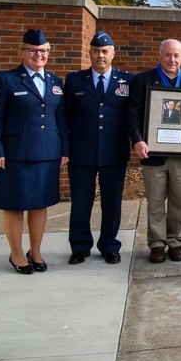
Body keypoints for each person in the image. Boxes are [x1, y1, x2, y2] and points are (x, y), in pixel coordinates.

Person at [0, 29, 69, 274]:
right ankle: (17, 253)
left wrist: (64, 148)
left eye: (43, 51)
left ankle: (36, 251)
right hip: (15, 154)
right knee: (14, 204)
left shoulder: (55, 81)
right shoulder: (5, 79)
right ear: (22, 52)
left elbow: (60, 118)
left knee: (39, 203)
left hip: (48, 153)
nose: (38, 55)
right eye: (32, 50)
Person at [129, 39, 181, 263]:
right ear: (159, 56)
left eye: (176, 55)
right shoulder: (143, 80)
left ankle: (176, 241)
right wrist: (137, 140)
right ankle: (157, 244)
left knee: (180, 200)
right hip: (153, 152)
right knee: (156, 201)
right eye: (168, 55)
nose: (172, 60)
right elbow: (133, 112)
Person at [63, 30, 133, 265]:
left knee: (112, 202)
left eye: (104, 51)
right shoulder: (74, 80)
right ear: (90, 53)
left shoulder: (127, 80)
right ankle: (80, 246)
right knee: (81, 200)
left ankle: (109, 246)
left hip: (114, 152)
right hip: (81, 152)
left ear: (113, 54)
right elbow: (66, 117)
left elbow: (135, 114)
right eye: (95, 51)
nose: (100, 56)